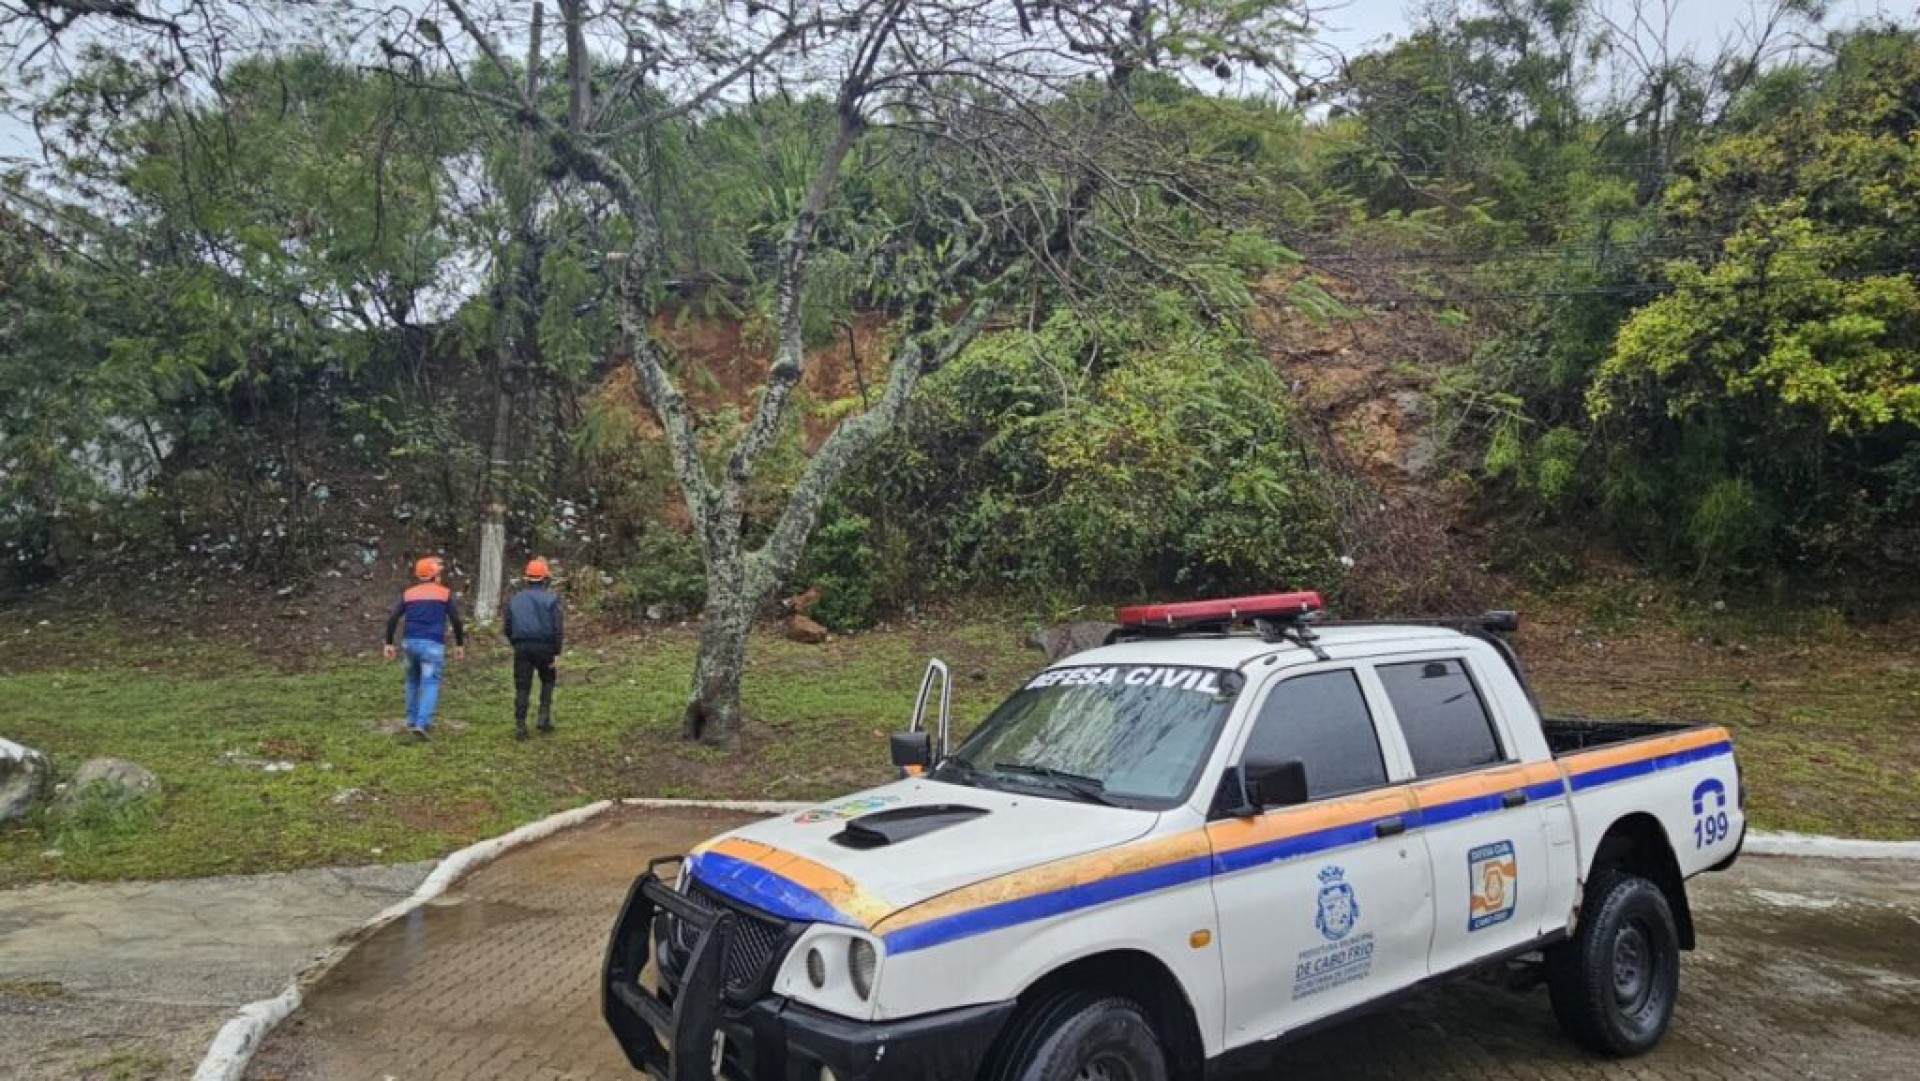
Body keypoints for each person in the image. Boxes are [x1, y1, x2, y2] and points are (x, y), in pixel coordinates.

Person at [382, 556, 467, 741]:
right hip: (432, 645)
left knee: (411, 681)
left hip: (409, 643)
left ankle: (411, 720)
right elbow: (456, 620)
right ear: (434, 575)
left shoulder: (409, 594)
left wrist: (389, 643)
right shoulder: (444, 594)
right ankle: (422, 724)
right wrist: (459, 644)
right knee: (430, 683)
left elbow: (393, 618)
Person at [503, 557, 563, 741]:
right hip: (545, 647)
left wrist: (515, 643)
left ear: (526, 578)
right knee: (548, 680)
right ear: (545, 579)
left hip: (522, 646)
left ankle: (520, 724)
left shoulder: (514, 600)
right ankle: (544, 717)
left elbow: (507, 626)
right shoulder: (552, 599)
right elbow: (557, 628)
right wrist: (556, 652)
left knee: (522, 685)